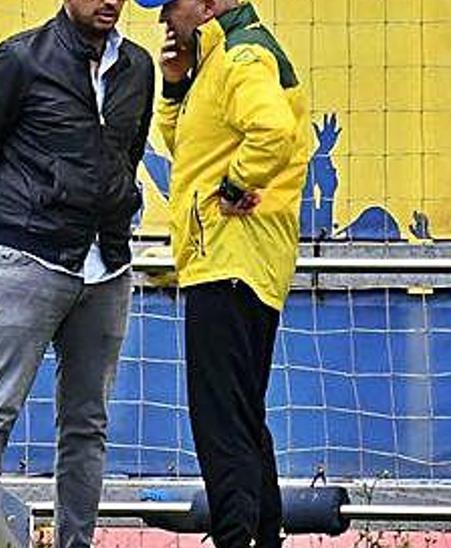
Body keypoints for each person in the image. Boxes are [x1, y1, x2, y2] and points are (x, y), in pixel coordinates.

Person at [0, 0, 154, 545]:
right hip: (27, 261)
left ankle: (75, 542)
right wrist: (16, 224)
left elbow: (126, 157)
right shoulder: (17, 60)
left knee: (87, 426)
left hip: (107, 266)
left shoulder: (139, 68)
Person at [137, 0, 311, 546]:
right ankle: (263, 538)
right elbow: (188, 151)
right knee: (240, 416)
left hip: (231, 257)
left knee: (220, 425)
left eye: (172, 4)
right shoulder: (217, 56)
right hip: (233, 260)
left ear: (210, 3)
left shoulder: (243, 54)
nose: (164, 17)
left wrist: (235, 187)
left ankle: (239, 539)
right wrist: (173, 86)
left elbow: (273, 130)